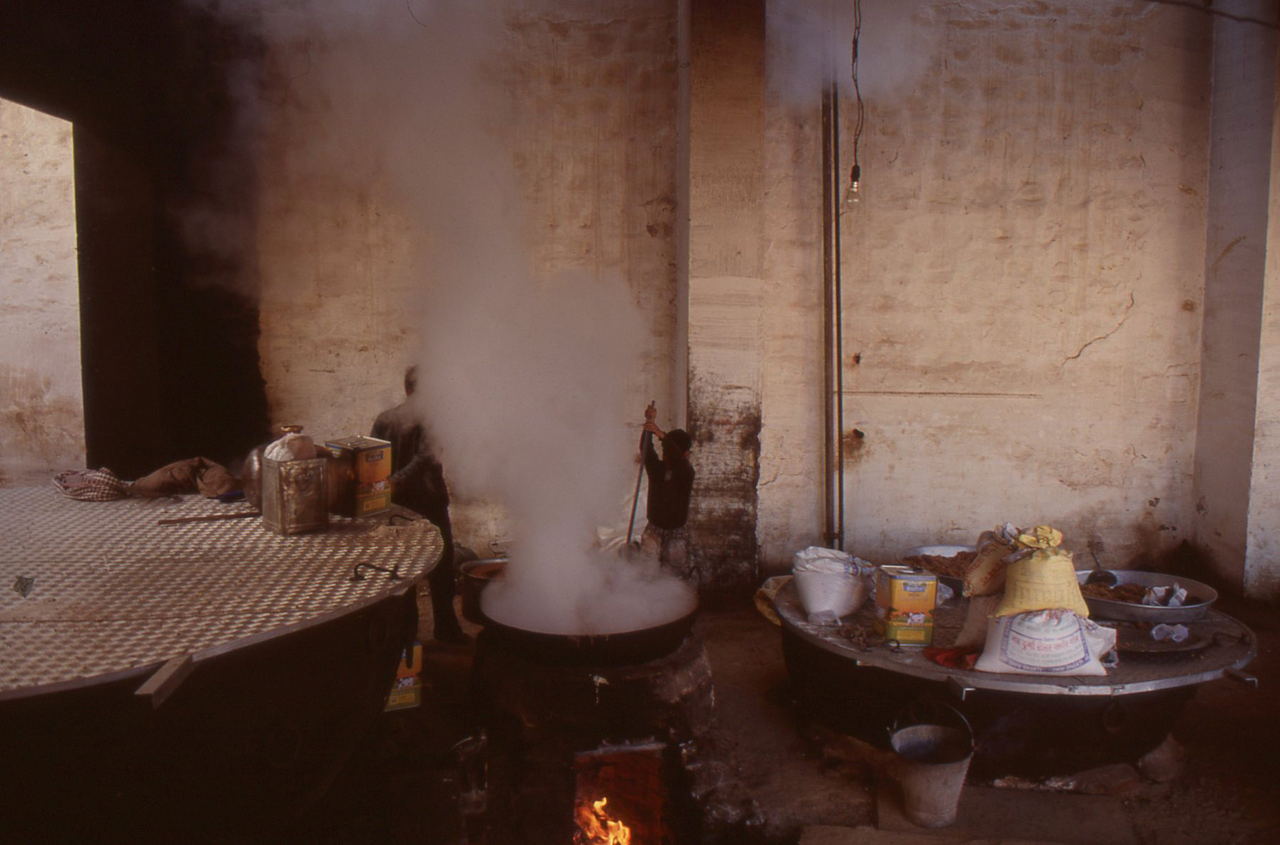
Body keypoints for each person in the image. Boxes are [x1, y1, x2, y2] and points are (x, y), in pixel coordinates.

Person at [373, 365, 468, 644]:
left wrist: (390, 484)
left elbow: (373, 458)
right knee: (441, 570)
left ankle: (409, 636)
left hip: (397, 506)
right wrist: (400, 480)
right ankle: (446, 631)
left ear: (407, 388)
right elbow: (427, 457)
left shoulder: (385, 419)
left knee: (404, 571)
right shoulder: (434, 420)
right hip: (429, 502)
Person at [640, 402, 696, 583]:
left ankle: (672, 605)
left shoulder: (686, 472)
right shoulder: (658, 470)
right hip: (653, 530)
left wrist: (661, 435)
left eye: (669, 451)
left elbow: (678, 459)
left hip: (676, 533)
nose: (666, 455)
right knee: (647, 574)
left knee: (672, 577)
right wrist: (649, 424)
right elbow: (646, 451)